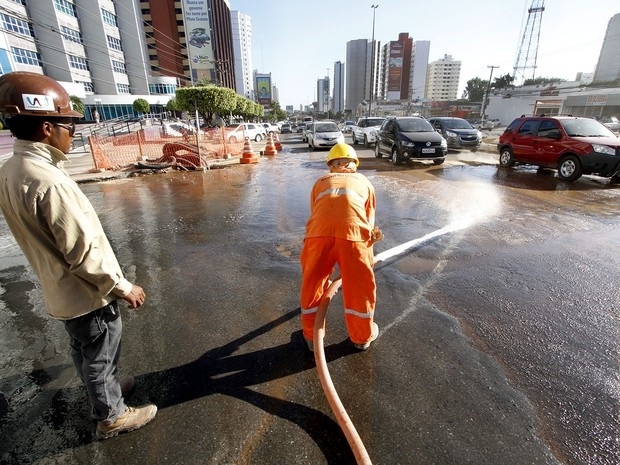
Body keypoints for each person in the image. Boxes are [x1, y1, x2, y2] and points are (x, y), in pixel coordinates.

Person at [0, 72, 157, 440]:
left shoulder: (11, 170)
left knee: (85, 350)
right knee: (100, 350)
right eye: (70, 125)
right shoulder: (49, 181)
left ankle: (105, 391)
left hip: (61, 291)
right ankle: (112, 415)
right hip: (87, 293)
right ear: (47, 128)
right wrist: (123, 287)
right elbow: (84, 254)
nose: (74, 132)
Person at [300, 143, 383, 352]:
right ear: (353, 164)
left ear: (331, 166)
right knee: (359, 286)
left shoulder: (320, 182)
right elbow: (370, 223)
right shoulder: (364, 182)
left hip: (318, 235)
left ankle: (311, 337)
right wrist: (367, 252)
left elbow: (317, 213)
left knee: (313, 284)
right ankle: (362, 337)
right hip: (353, 237)